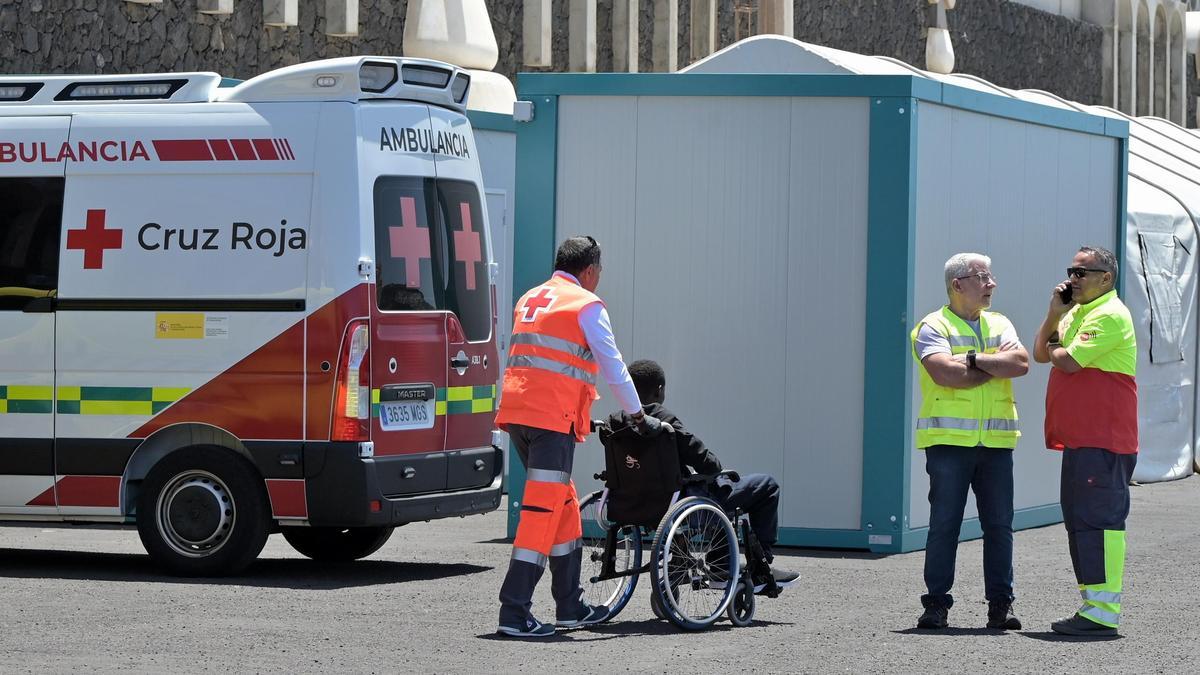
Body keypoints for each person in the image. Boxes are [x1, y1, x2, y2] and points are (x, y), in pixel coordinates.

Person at [494, 236, 665, 638]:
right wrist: (638, 415)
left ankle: (569, 605)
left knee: (563, 503)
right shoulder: (585, 305)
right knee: (541, 513)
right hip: (551, 419)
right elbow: (613, 364)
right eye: (600, 273)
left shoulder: (531, 298)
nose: (600, 280)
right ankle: (514, 611)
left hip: (519, 414)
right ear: (589, 270)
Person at [911, 253, 1029, 630]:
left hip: (995, 443)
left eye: (991, 276)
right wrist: (993, 364)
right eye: (983, 277)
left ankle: (1001, 605)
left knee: (999, 525)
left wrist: (973, 360)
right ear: (957, 283)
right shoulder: (931, 326)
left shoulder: (1000, 322)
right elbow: (946, 374)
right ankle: (936, 606)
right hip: (948, 442)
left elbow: (1021, 363)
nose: (992, 283)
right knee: (944, 525)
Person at [610, 359, 800, 590]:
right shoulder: (663, 420)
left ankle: (721, 566)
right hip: (676, 503)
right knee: (765, 485)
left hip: (631, 504)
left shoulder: (615, 423)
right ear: (660, 390)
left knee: (715, 495)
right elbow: (706, 462)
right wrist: (717, 469)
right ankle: (760, 566)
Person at [1033, 245, 1137, 638]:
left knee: (1100, 523)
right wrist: (1053, 316)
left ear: (1106, 278)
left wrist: (1057, 344)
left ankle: (1103, 611)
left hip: (1104, 439)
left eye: (1081, 272)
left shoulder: (1110, 313)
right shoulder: (1078, 311)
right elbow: (1040, 354)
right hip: (1083, 439)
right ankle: (1093, 604)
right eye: (1071, 271)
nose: (1072, 279)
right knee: (1081, 523)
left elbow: (1067, 360)